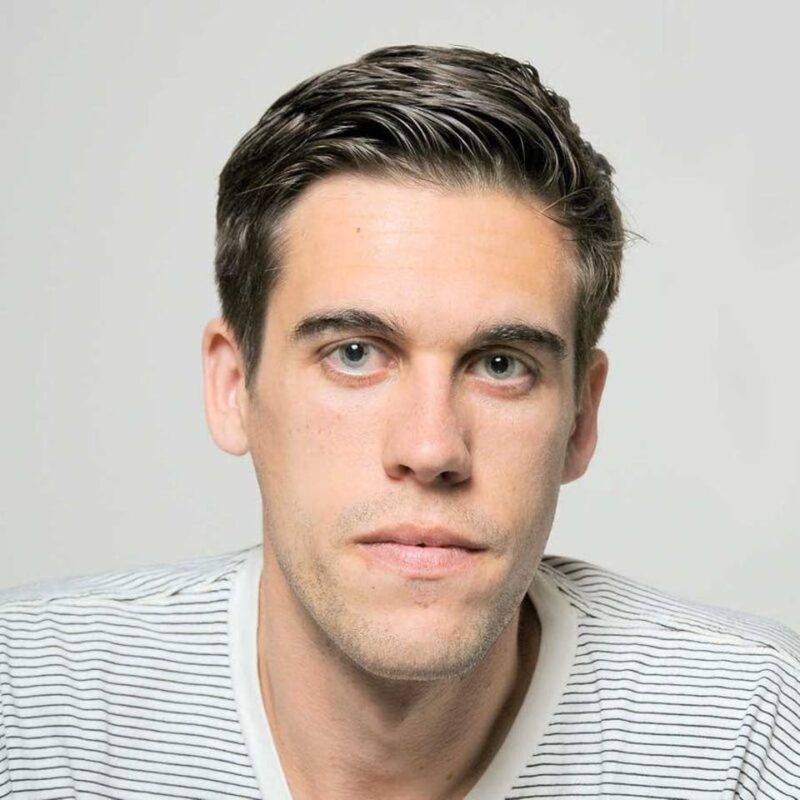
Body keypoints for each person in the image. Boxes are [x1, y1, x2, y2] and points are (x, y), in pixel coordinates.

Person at [1, 43, 798, 800]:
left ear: (582, 416)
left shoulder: (756, 732)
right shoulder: (30, 705)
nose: (430, 448)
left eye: (500, 365)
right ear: (233, 384)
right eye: (354, 353)